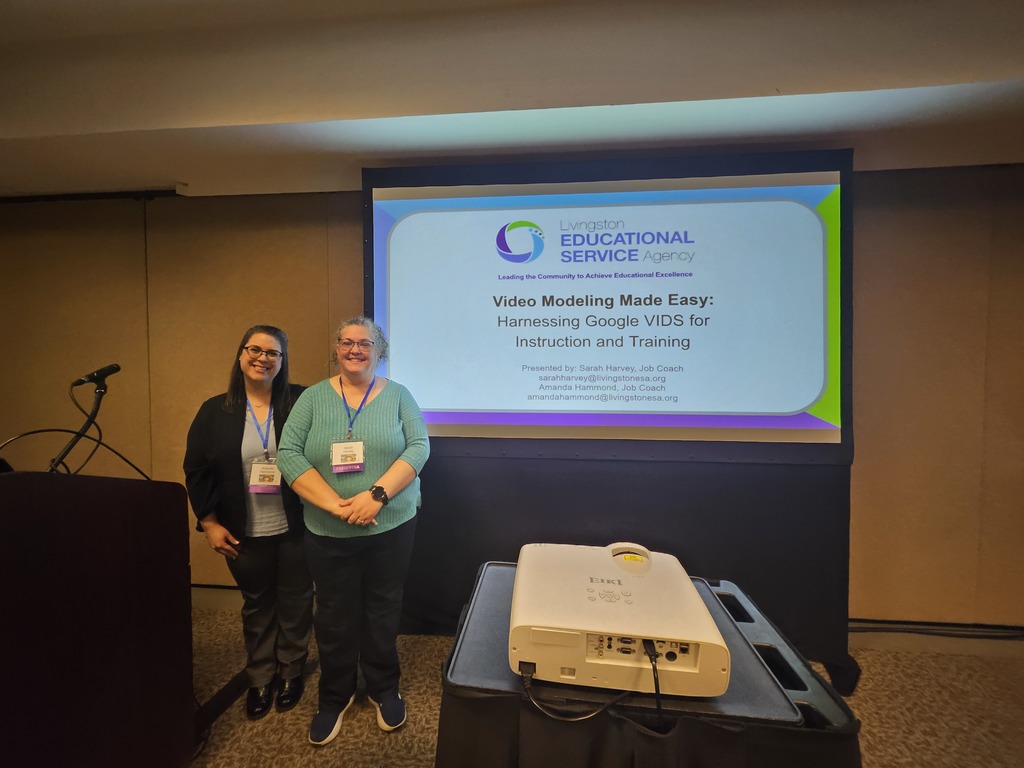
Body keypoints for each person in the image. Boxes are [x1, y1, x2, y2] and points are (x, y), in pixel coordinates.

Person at [277, 316, 429, 747]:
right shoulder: (311, 398)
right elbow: (288, 453)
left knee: (383, 610)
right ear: (337, 348)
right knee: (334, 616)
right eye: (346, 342)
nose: (354, 349)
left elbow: (419, 447)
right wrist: (336, 505)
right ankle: (334, 696)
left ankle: (384, 688)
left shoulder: (399, 395)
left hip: (391, 524)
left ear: (380, 351)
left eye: (364, 343)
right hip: (328, 529)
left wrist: (375, 495)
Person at [184, 325, 313, 719]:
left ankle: (291, 671)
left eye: (272, 353)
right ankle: (260, 676)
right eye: (254, 350)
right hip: (242, 530)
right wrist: (208, 521)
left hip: (296, 526)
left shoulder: (301, 402)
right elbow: (197, 469)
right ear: (240, 355)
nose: (262, 358)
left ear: (283, 360)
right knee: (257, 605)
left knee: (296, 601)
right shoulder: (215, 410)